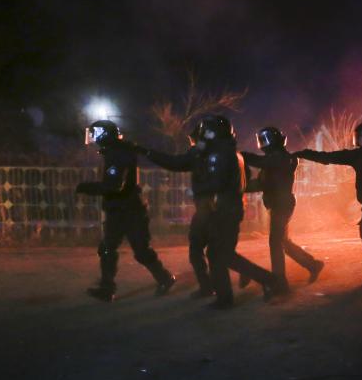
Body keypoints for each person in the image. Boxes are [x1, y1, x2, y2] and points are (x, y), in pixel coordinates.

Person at [140, 116, 277, 308]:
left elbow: (217, 182)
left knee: (219, 254)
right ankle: (233, 293)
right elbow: (179, 163)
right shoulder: (228, 152)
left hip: (224, 210)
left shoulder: (221, 154)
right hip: (224, 209)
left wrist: (197, 190)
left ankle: (254, 285)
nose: (203, 135)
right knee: (218, 253)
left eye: (206, 131)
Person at [76, 119, 175, 302]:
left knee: (141, 251)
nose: (93, 137)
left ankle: (165, 278)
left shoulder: (118, 153)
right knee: (107, 248)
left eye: (96, 133)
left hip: (129, 211)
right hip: (120, 209)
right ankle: (107, 288)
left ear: (105, 134)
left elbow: (114, 185)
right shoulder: (116, 151)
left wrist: (87, 188)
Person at [295, 122, 362, 285]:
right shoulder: (357, 156)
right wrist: (306, 153)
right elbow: (330, 158)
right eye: (356, 137)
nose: (357, 140)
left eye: (360, 137)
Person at [241, 126, 324, 291]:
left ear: (273, 141)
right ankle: (313, 265)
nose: (262, 144)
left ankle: (279, 282)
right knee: (283, 242)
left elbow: (259, 162)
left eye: (265, 140)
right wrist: (241, 186)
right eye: (261, 140)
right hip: (278, 204)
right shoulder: (273, 160)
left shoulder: (281, 158)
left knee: (275, 242)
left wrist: (239, 155)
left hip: (282, 204)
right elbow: (262, 183)